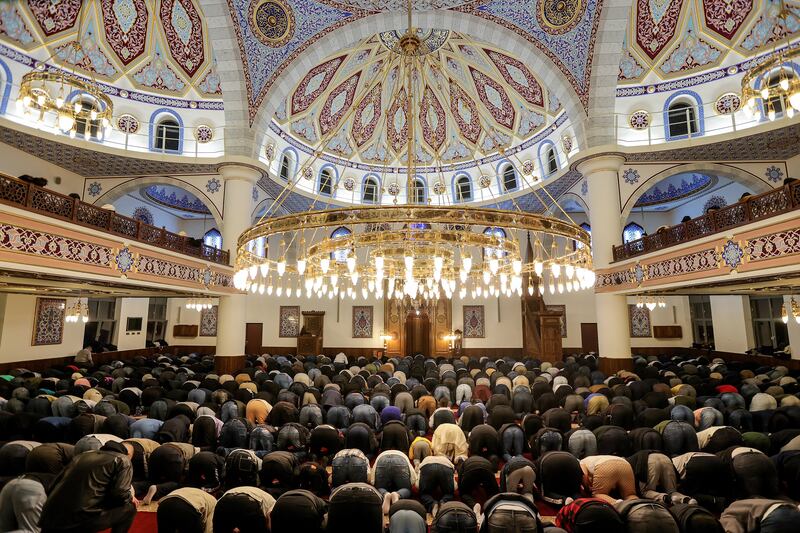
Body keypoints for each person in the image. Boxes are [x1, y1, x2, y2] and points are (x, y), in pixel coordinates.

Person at [39, 441, 136, 533]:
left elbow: (53, 484)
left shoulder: (82, 455)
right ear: (128, 454)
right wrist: (130, 497)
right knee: (129, 508)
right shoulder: (123, 459)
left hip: (49, 516)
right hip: (79, 519)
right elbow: (119, 494)